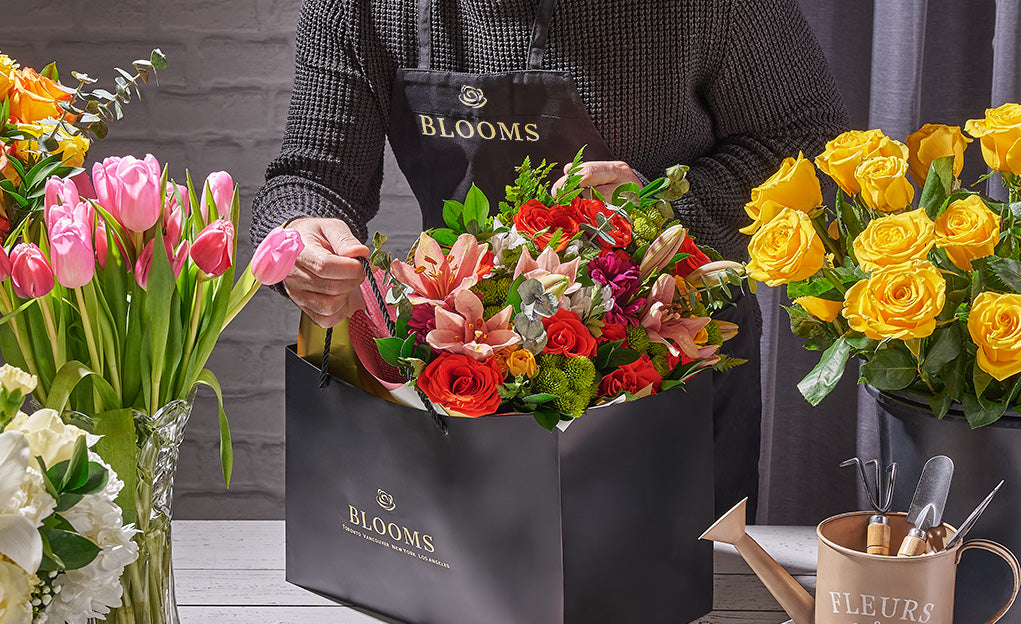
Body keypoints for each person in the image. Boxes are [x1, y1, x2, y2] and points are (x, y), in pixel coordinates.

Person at [251, 0, 849, 518]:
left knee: (677, 613)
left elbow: (810, 141)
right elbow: (311, 174)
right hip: (471, 369)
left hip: (669, 365)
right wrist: (298, 237)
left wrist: (654, 213)